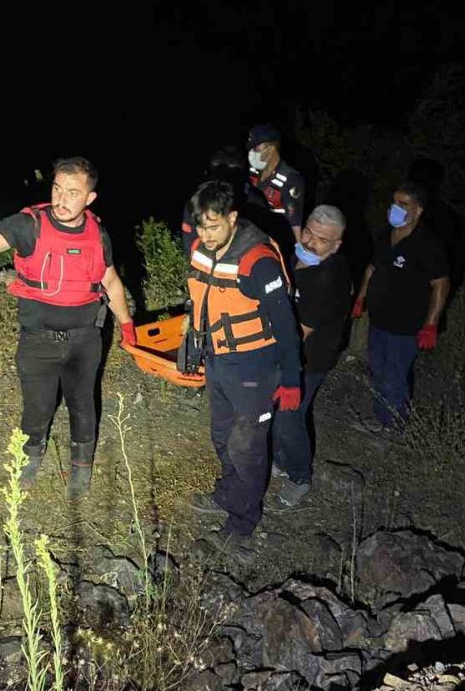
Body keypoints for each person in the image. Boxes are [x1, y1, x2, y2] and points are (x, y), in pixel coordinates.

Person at [0, 156, 135, 494]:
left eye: (72, 192)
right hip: (38, 341)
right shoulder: (30, 225)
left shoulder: (98, 233)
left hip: (86, 339)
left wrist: (126, 325)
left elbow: (110, 282)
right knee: (36, 410)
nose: (61, 199)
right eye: (57, 189)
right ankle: (29, 463)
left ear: (89, 198)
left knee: (83, 406)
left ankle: (81, 471)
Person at [185, 179, 302, 549]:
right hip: (219, 360)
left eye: (214, 225)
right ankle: (229, 494)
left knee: (247, 446)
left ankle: (243, 522)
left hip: (255, 366)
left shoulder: (258, 261)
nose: (206, 234)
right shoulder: (202, 247)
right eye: (201, 225)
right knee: (222, 436)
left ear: (233, 218)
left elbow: (286, 326)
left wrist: (292, 379)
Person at [270, 205, 353, 507]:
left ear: (336, 245)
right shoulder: (298, 256)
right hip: (286, 348)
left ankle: (300, 476)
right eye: (308, 232)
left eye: (321, 239)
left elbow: (299, 333)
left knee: (288, 417)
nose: (310, 242)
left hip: (310, 359)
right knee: (278, 412)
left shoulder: (328, 279)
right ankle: (279, 458)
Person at [351, 179, 450, 431]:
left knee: (394, 377)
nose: (396, 208)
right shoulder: (386, 235)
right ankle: (380, 418)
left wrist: (431, 324)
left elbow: (441, 284)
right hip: (379, 320)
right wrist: (361, 298)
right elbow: (371, 268)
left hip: (406, 326)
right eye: (394, 202)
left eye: (403, 204)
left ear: (418, 210)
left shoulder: (428, 244)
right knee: (377, 371)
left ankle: (394, 427)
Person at [245, 122, 305, 255]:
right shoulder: (253, 171)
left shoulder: (290, 179)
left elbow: (294, 222)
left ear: (271, 149)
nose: (252, 153)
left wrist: (297, 253)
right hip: (251, 236)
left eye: (256, 149)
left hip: (276, 243)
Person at [181, 146, 246, 260]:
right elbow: (189, 246)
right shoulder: (196, 203)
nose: (221, 177)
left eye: (231, 171)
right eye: (217, 170)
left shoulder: (250, 200)